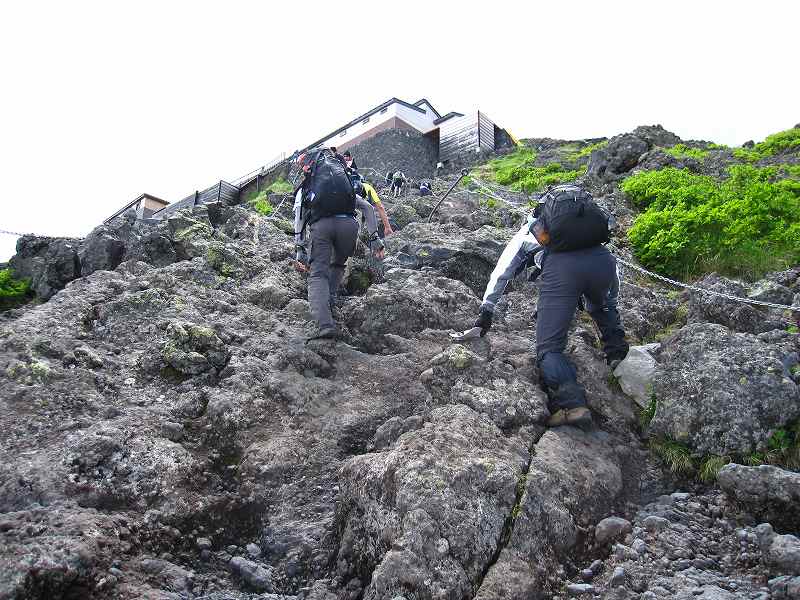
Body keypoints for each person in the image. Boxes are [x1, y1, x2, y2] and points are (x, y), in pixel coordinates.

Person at [473, 184, 628, 430]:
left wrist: (487, 308)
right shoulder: (588, 220)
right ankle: (618, 355)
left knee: (549, 349)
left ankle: (572, 405)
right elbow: (611, 283)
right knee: (600, 306)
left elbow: (504, 269)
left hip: (563, 273)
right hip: (603, 264)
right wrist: (609, 302)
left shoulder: (534, 225)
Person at [294, 150, 385, 340]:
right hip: (349, 227)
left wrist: (299, 247)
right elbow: (368, 208)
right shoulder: (345, 182)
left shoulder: (308, 185)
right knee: (337, 264)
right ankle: (331, 299)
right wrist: (374, 239)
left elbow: (299, 217)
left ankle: (325, 325)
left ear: (308, 167)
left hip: (322, 226)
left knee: (318, 273)